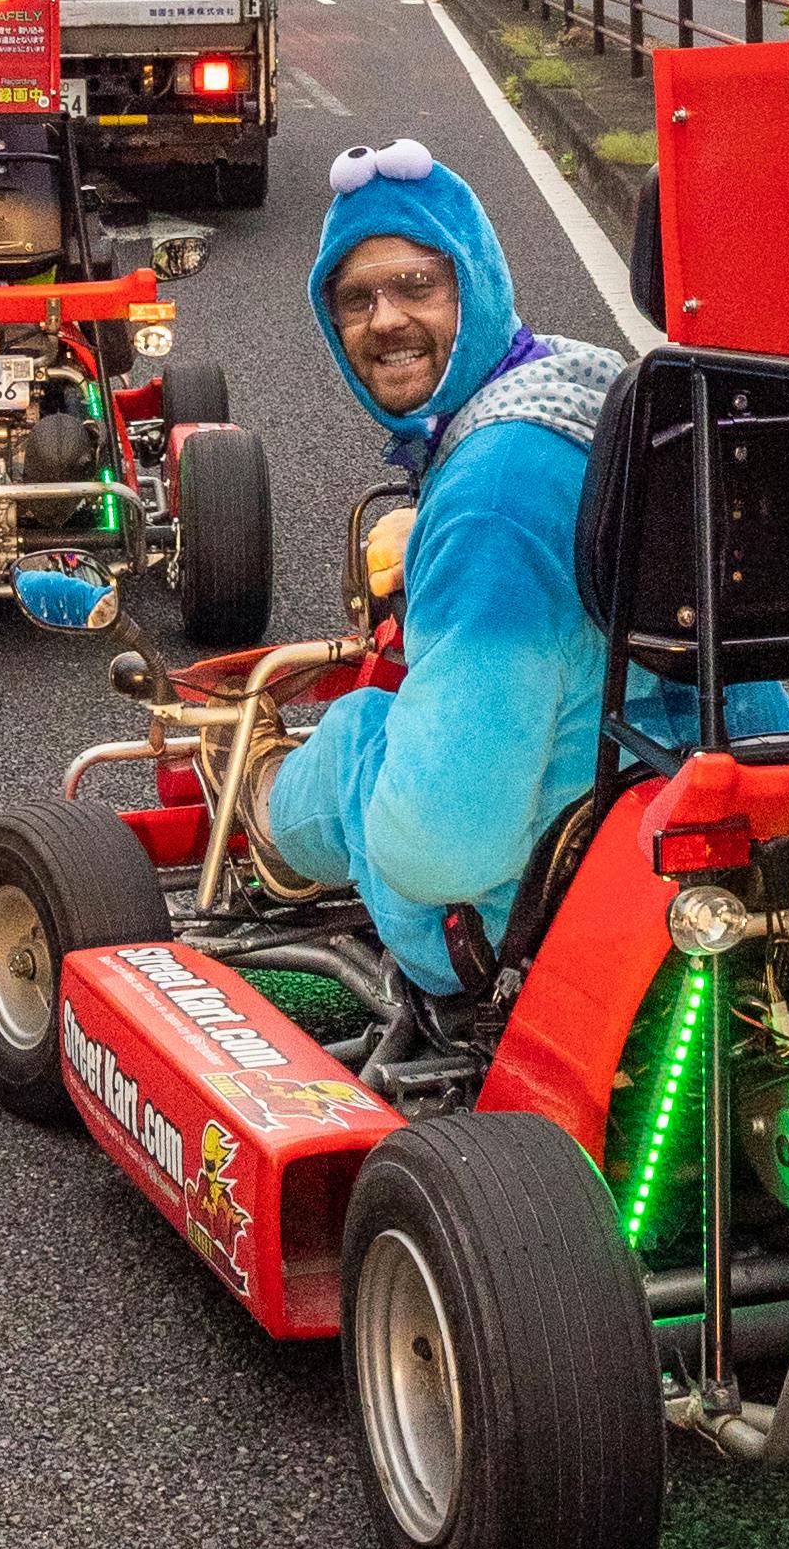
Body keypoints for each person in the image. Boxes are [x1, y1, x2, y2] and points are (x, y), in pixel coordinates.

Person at [255, 140, 621, 995]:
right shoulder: (594, 400)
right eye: (356, 299)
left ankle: (267, 819)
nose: (384, 319)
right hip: (684, 844)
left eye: (417, 285)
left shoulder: (492, 491)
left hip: (520, 926)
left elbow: (446, 850)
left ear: (476, 285)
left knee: (356, 737)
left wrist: (345, 798)